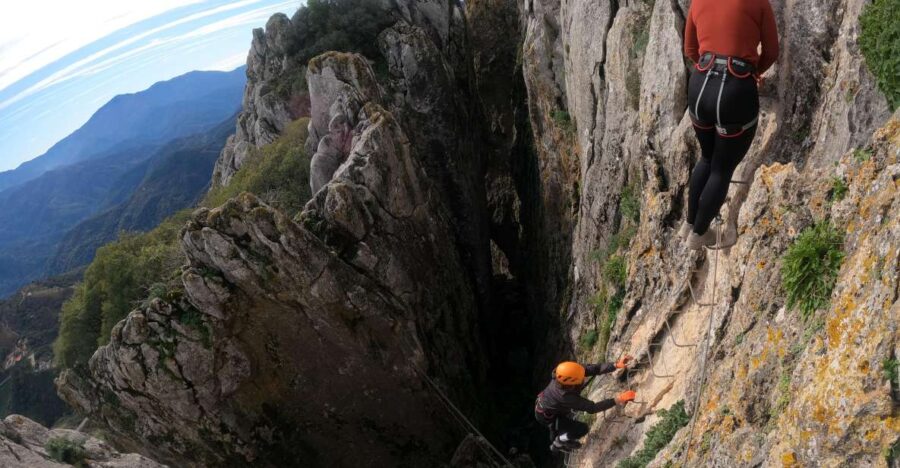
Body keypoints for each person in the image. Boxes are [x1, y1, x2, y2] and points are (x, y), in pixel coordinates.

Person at [680, 0, 779, 249]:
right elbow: (771, 52)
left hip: (700, 85)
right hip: (735, 89)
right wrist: (752, 72)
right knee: (722, 168)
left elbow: (690, 48)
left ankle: (690, 223)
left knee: (707, 158)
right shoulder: (759, 3)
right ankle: (700, 233)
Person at [534, 358, 636, 452]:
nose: (583, 378)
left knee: (558, 426)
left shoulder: (569, 372)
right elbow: (592, 408)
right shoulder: (565, 397)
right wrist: (618, 399)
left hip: (552, 407)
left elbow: (595, 369)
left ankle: (556, 437)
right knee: (582, 429)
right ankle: (559, 441)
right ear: (570, 383)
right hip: (546, 416)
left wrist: (615, 365)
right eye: (580, 379)